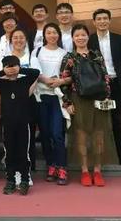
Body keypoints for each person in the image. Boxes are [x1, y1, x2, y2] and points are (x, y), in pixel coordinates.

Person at [60, 24, 118, 187]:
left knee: (99, 134)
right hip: (78, 99)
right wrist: (67, 102)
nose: (80, 38)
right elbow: (63, 80)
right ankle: (85, 170)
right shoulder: (69, 57)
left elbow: (105, 77)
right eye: (77, 35)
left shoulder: (96, 55)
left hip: (98, 100)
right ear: (72, 38)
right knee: (81, 135)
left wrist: (107, 97)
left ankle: (98, 170)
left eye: (83, 35)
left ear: (88, 37)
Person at [0, 56, 40, 196]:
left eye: (14, 66)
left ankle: (24, 180)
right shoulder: (1, 83)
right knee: (9, 153)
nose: (11, 69)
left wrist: (19, 69)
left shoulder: (25, 80)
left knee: (23, 153)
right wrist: (4, 72)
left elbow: (36, 72)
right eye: (8, 66)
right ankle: (10, 180)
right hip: (7, 124)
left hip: (23, 123)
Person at [89, 8, 121, 169]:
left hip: (115, 85)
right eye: (99, 19)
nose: (102, 21)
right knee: (98, 123)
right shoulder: (90, 40)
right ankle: (99, 155)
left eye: (105, 18)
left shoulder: (119, 39)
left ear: (109, 21)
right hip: (98, 87)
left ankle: (120, 154)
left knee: (116, 121)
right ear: (94, 22)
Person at [30, 23, 69, 185]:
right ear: (44, 35)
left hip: (57, 99)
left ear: (58, 35)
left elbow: (70, 75)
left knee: (57, 134)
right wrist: (46, 80)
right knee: (45, 134)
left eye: (54, 32)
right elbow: (35, 71)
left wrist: (60, 81)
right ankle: (51, 165)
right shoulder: (37, 51)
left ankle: (62, 167)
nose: (52, 35)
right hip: (41, 97)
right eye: (49, 32)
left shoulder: (65, 53)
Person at [0, 28, 37, 173]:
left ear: (26, 40)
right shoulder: (5, 60)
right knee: (10, 138)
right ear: (10, 40)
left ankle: (27, 171)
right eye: (15, 37)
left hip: (27, 101)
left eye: (21, 37)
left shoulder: (32, 57)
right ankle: (11, 171)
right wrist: (0, 105)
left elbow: (35, 79)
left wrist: (23, 95)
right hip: (8, 103)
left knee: (26, 137)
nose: (18, 40)